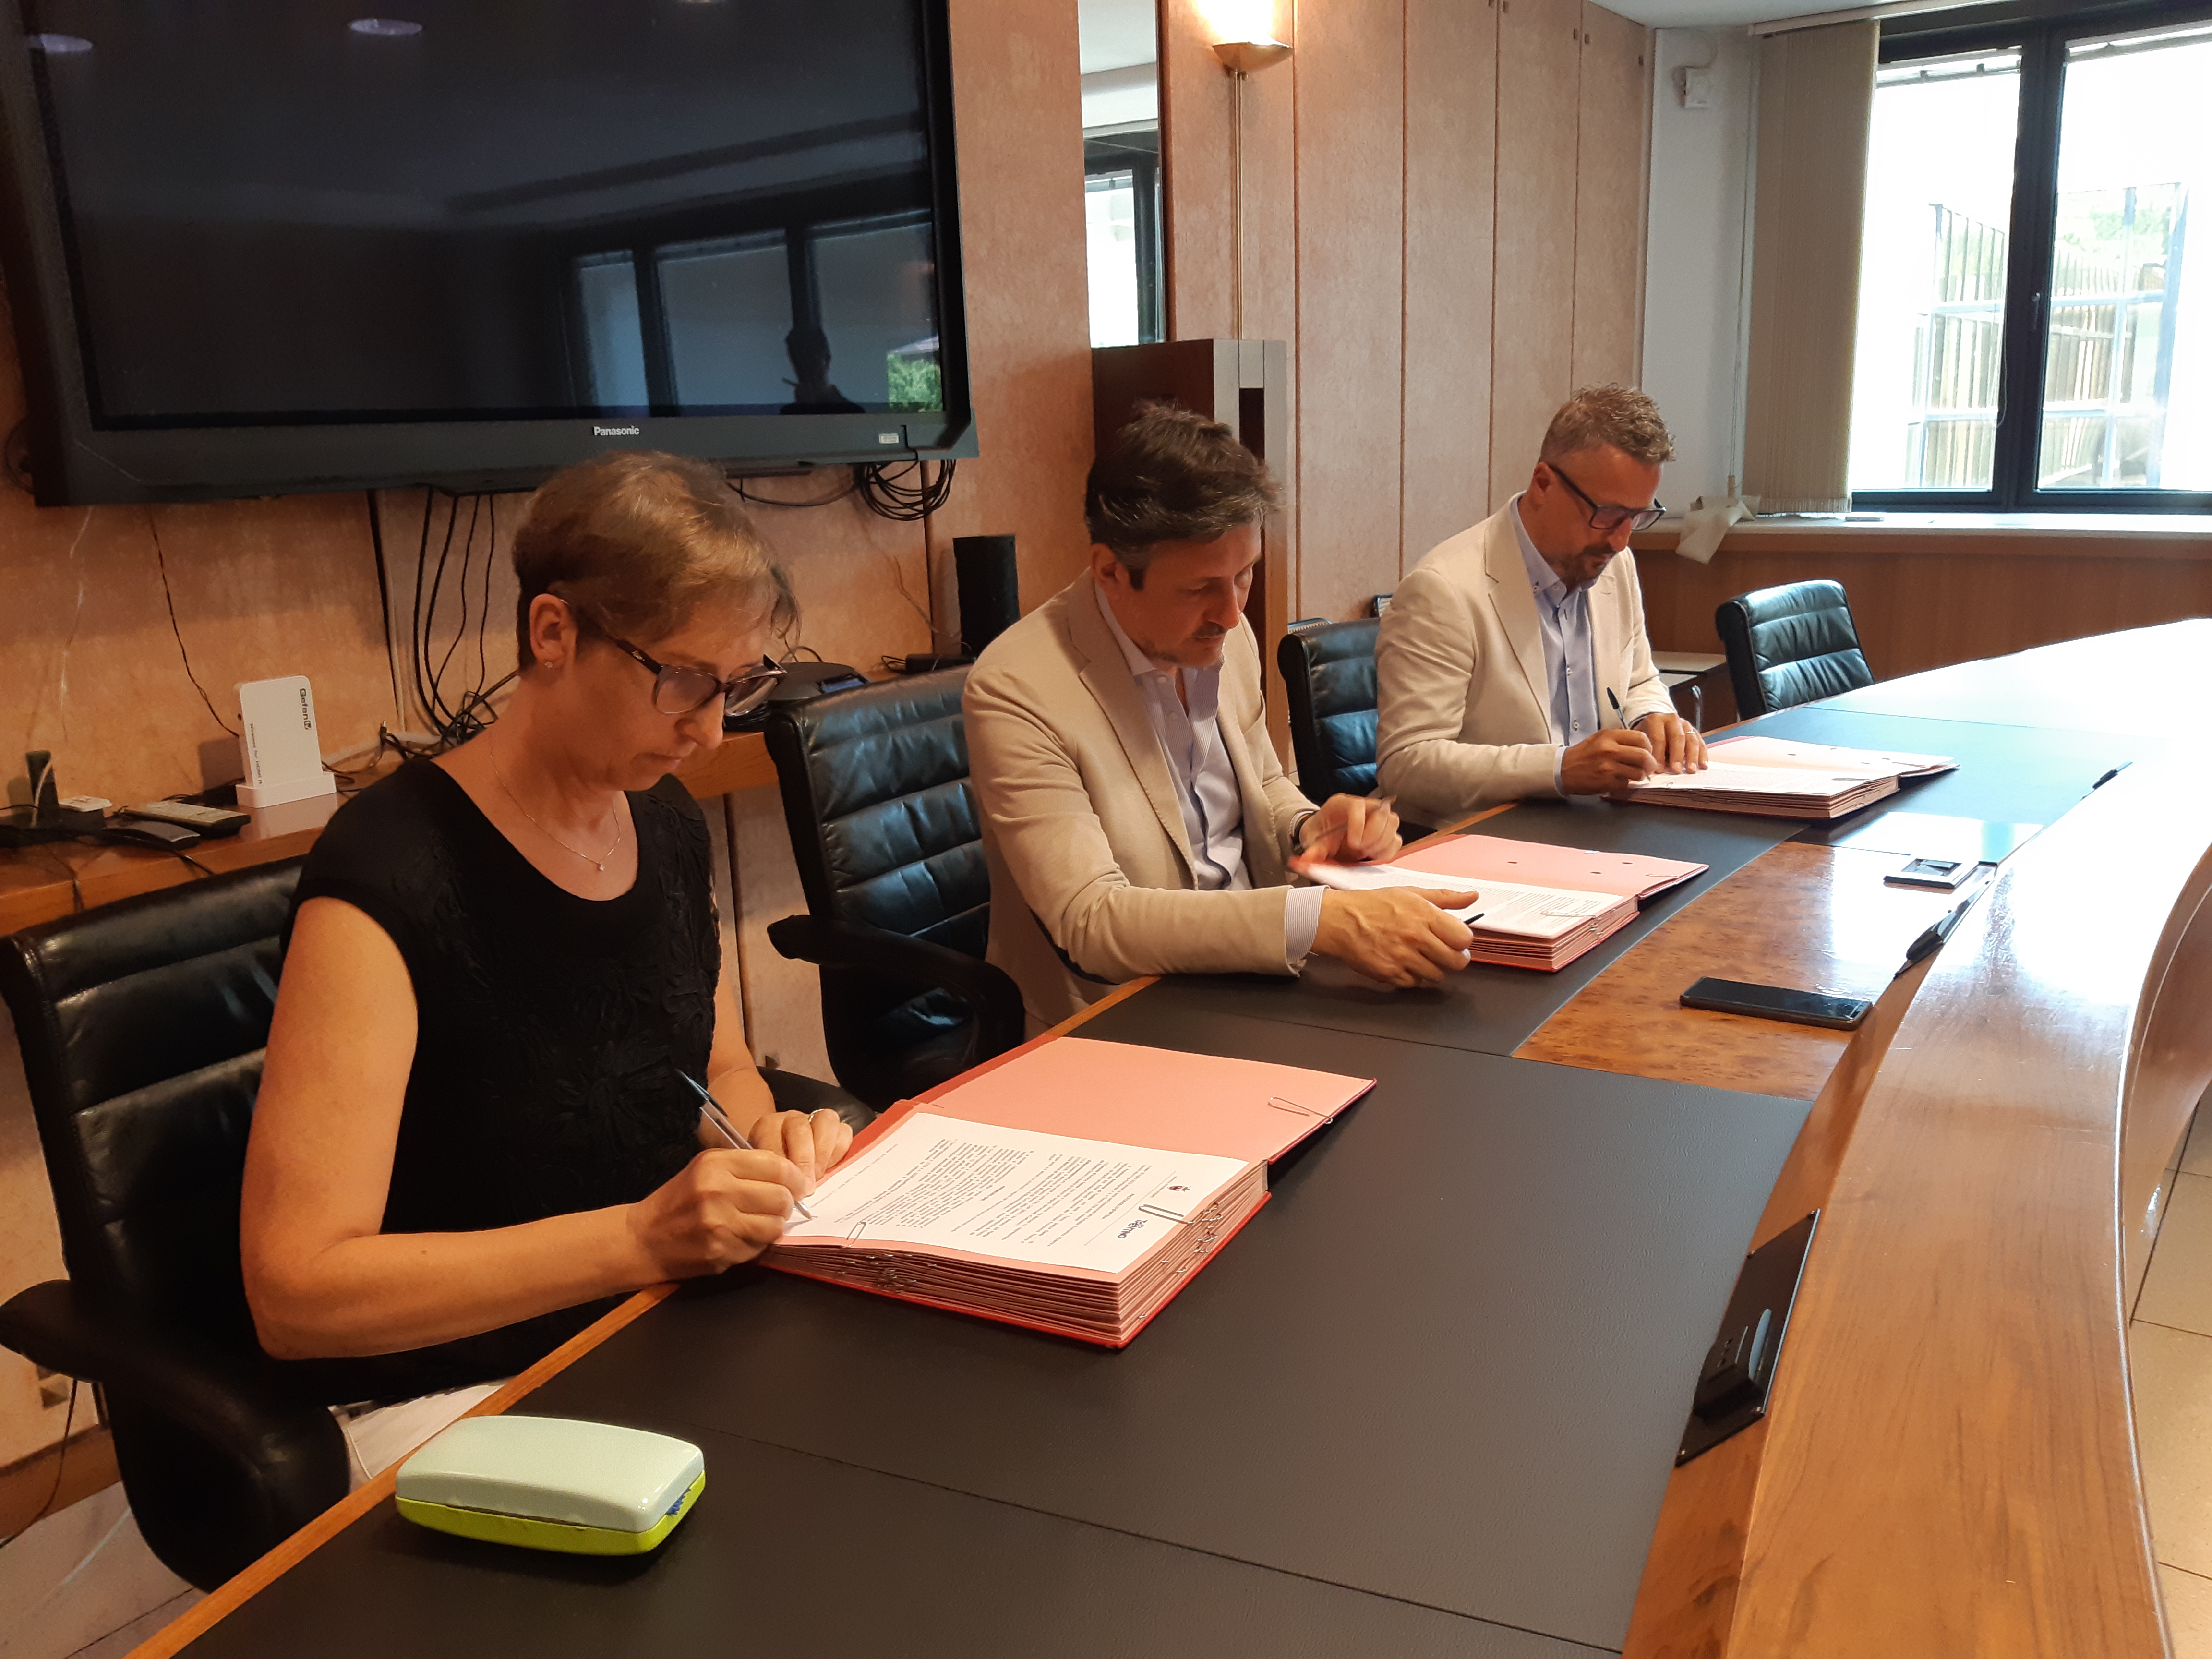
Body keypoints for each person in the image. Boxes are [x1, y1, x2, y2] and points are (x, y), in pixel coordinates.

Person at [240, 452, 854, 1469]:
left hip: (646, 1322)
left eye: (737, 687)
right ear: (554, 632)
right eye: (682, 682)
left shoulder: (663, 820)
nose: (710, 731)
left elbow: (717, 1068)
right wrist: (639, 1239)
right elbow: (296, 1293)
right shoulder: (391, 870)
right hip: (450, 1387)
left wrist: (764, 1142)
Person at [964, 405, 1480, 1029]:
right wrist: (1317, 921)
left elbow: (1263, 784)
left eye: (1245, 575)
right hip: (1122, 1014)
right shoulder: (1017, 688)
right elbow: (1091, 921)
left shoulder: (1221, 634)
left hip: (1256, 982)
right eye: (1200, 588)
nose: (1232, 614)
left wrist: (1311, 827)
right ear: (1110, 571)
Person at [1375, 385, 1708, 823]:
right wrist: (1558, 769)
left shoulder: (1615, 563)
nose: (1621, 540)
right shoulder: (1443, 591)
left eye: (1638, 517)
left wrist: (1653, 716)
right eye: (1608, 514)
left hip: (1597, 825)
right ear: (1544, 485)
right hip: (1486, 836)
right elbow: (1407, 765)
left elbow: (1637, 679)